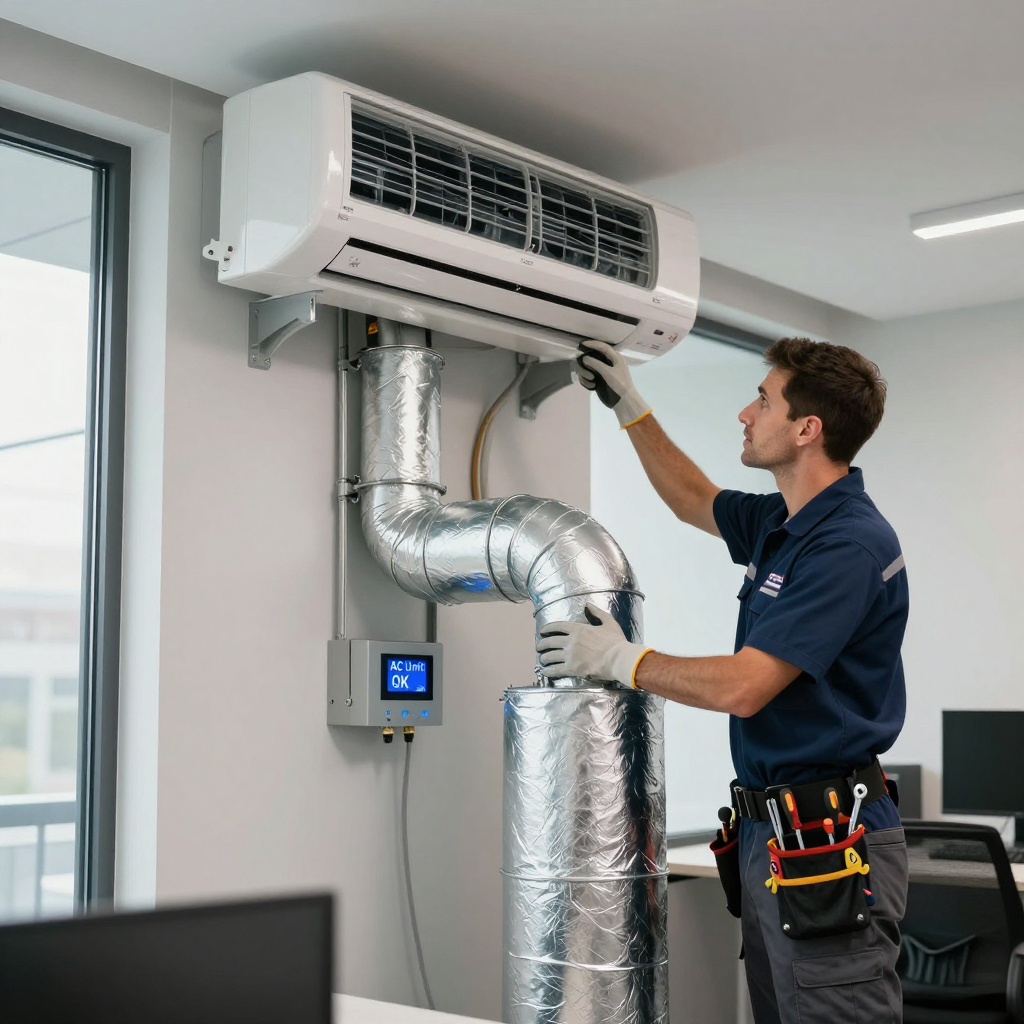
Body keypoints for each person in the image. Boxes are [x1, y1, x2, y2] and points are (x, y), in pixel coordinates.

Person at [537, 337, 910, 1024]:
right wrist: (629, 404)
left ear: (807, 429)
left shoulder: (846, 545)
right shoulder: (787, 523)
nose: (745, 412)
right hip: (779, 835)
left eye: (763, 400)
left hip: (828, 837)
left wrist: (623, 661)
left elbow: (746, 686)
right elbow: (693, 499)